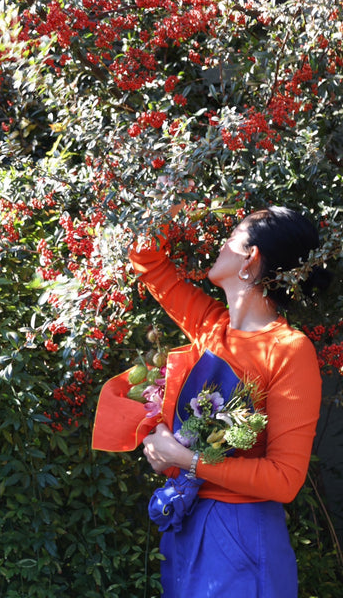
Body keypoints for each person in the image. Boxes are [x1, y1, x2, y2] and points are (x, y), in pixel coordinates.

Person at [127, 204, 330, 598]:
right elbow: (147, 259)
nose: (221, 244)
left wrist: (184, 458)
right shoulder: (211, 325)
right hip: (187, 524)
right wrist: (177, 196)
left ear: (250, 259)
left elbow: (286, 480)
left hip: (241, 533)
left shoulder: (289, 350)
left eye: (232, 236)